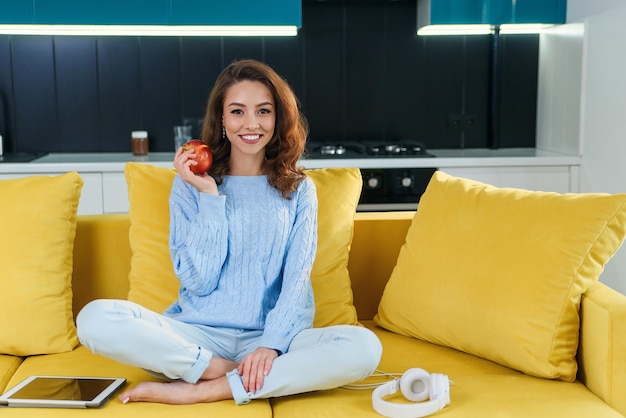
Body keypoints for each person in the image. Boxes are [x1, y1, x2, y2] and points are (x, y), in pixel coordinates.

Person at [76, 59, 382, 405]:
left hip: (271, 339)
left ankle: (209, 389)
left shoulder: (299, 189)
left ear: (277, 118)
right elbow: (198, 280)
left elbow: (297, 281)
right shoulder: (190, 187)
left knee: (364, 347)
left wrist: (270, 345)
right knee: (93, 318)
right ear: (221, 120)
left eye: (263, 111)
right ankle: (219, 370)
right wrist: (209, 196)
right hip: (195, 338)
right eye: (238, 111)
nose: (251, 124)